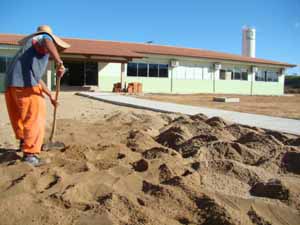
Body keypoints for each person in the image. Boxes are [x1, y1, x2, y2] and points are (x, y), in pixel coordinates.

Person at [4, 25, 70, 166]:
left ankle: (24, 143)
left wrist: (50, 96)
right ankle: (30, 155)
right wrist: (59, 61)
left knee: (21, 117)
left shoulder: (29, 52)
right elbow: (46, 40)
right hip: (25, 85)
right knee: (35, 118)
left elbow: (37, 79)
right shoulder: (42, 39)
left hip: (11, 85)